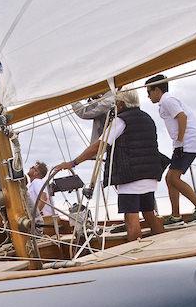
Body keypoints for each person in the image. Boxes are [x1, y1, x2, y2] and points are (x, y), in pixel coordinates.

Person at [56, 89, 165, 241]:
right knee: (149, 213)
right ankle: (162, 243)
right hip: (150, 175)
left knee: (131, 217)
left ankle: (136, 255)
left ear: (120, 103)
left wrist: (73, 163)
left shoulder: (121, 120)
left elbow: (99, 146)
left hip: (131, 177)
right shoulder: (147, 118)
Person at [145, 74, 196, 228]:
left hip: (187, 142)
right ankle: (176, 216)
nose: (148, 96)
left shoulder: (167, 100)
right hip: (184, 143)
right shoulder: (165, 102)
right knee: (170, 178)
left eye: (149, 92)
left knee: (173, 178)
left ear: (157, 90)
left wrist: (180, 142)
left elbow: (182, 117)